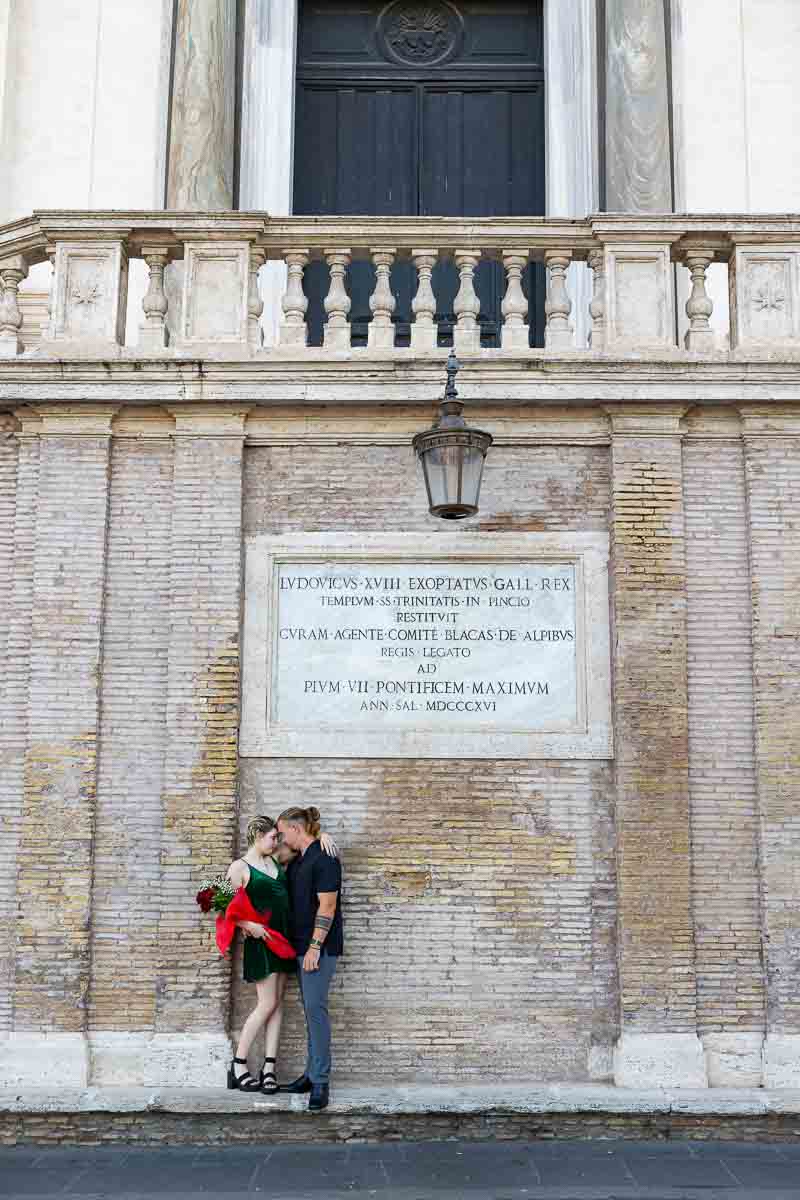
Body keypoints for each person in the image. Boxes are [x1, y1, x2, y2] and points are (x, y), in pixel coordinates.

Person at [224, 814, 337, 1094]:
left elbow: (307, 847)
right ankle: (237, 1065)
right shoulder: (240, 866)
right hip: (263, 942)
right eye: (274, 837)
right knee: (267, 1003)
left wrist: (323, 837)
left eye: (279, 836)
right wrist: (247, 925)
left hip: (285, 942)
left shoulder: (278, 861)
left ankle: (269, 1068)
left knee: (278, 1005)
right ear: (258, 836)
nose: (278, 842)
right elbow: (224, 903)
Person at [276, 805, 343, 1112]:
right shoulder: (301, 859)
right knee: (309, 1011)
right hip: (302, 945)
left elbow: (327, 906)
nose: (280, 836)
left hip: (319, 948)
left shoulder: (325, 858)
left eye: (282, 831)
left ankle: (321, 1082)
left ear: (295, 829)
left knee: (316, 1010)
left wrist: (315, 947)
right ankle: (310, 1073)